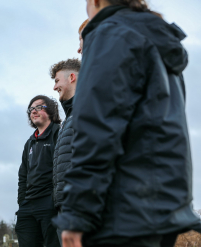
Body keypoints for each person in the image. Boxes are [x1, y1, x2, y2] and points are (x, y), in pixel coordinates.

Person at [53, 0, 201, 247]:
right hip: (163, 208)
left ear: (96, 2)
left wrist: (78, 213)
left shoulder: (110, 33)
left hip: (121, 210)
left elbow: (98, 130)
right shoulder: (157, 41)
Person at [15, 95, 62, 247]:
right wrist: (22, 202)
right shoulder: (29, 142)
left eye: (39, 107)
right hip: (28, 205)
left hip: (50, 203)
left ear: (51, 111)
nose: (34, 111)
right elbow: (23, 175)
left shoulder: (59, 134)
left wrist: (55, 201)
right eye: (31, 109)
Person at [50, 58, 81, 246]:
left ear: (71, 77)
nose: (54, 87)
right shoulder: (69, 119)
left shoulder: (88, 111)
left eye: (56, 81)